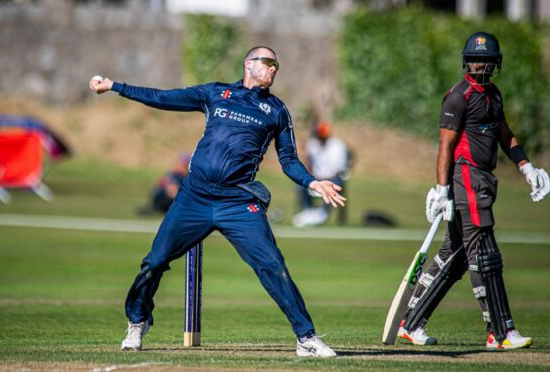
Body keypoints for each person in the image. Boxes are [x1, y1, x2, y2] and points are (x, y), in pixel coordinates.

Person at [90, 46, 346, 357]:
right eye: (267, 62)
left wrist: (313, 182)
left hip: (238, 202)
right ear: (248, 64)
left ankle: (306, 338)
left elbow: (289, 160)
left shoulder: (277, 111)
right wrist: (117, 87)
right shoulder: (216, 93)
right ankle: (137, 322)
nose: (273, 69)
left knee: (272, 265)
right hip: (194, 197)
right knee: (154, 262)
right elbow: (162, 98)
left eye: (276, 64)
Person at [397, 32, 549, 349]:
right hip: (466, 178)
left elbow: (504, 133)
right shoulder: (458, 97)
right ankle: (501, 331)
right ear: (467, 61)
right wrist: (441, 189)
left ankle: (410, 324)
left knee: (456, 256)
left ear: (496, 64)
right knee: (486, 254)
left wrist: (526, 166)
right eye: (477, 59)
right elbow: (445, 145)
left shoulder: (493, 95)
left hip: (483, 179)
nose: (482, 65)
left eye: (488, 60)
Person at [293, 119, 349, 227]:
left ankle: (323, 213)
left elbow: (340, 167)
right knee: (300, 184)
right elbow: (308, 163)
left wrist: (328, 178)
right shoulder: (312, 144)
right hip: (316, 177)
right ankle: (308, 210)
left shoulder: (337, 145)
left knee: (335, 184)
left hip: (332, 177)